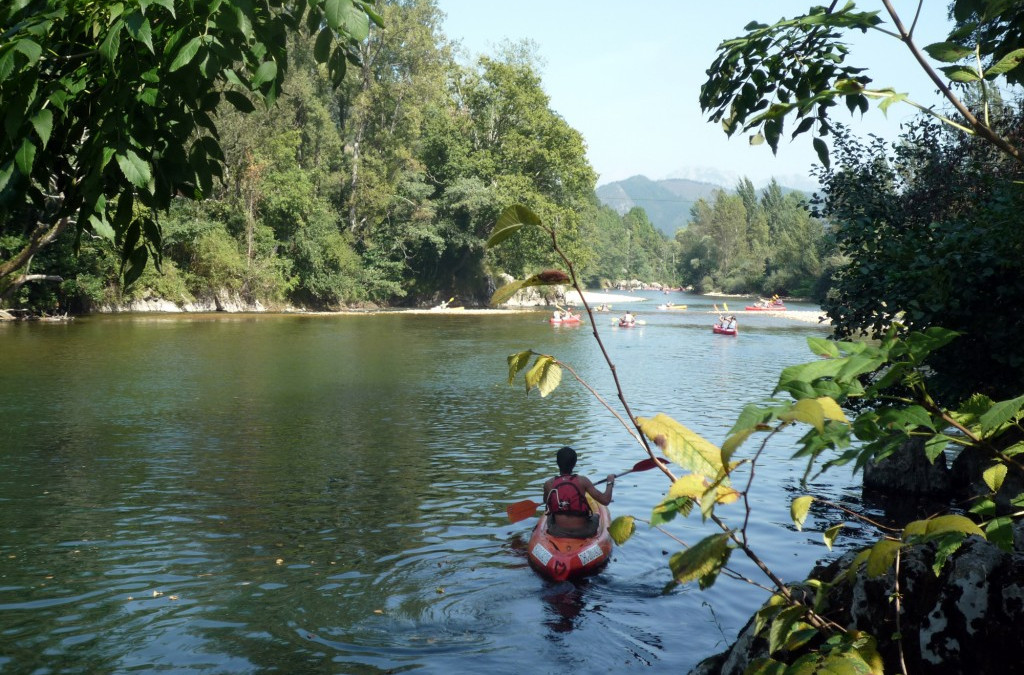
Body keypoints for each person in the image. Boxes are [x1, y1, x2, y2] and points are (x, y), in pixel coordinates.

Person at [543, 446, 614, 538]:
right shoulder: (583, 481)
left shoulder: (549, 484)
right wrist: (610, 482)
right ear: (574, 463)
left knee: (549, 516)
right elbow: (605, 500)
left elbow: (546, 502)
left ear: (557, 463)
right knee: (596, 516)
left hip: (557, 531)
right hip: (584, 532)